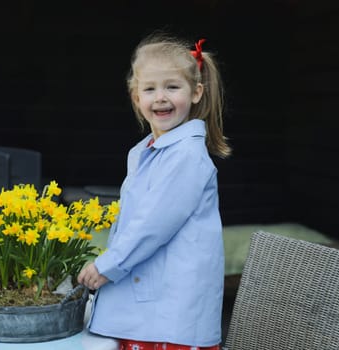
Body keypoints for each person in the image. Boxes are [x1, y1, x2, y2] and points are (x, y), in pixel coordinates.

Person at [77, 31, 232, 350]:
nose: (160, 97)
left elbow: (152, 226)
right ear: (137, 98)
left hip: (171, 318)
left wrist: (108, 265)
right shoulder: (147, 151)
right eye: (150, 89)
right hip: (149, 311)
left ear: (196, 93)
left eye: (172, 87)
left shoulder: (186, 157)